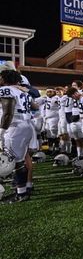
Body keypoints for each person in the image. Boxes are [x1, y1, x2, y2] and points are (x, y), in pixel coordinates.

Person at [0, 69, 34, 203]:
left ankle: (21, 193)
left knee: (13, 161)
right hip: (24, 126)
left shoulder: (6, 90)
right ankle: (22, 191)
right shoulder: (21, 91)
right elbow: (34, 104)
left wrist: (2, 130)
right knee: (19, 161)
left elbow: (8, 111)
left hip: (13, 127)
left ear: (5, 78)